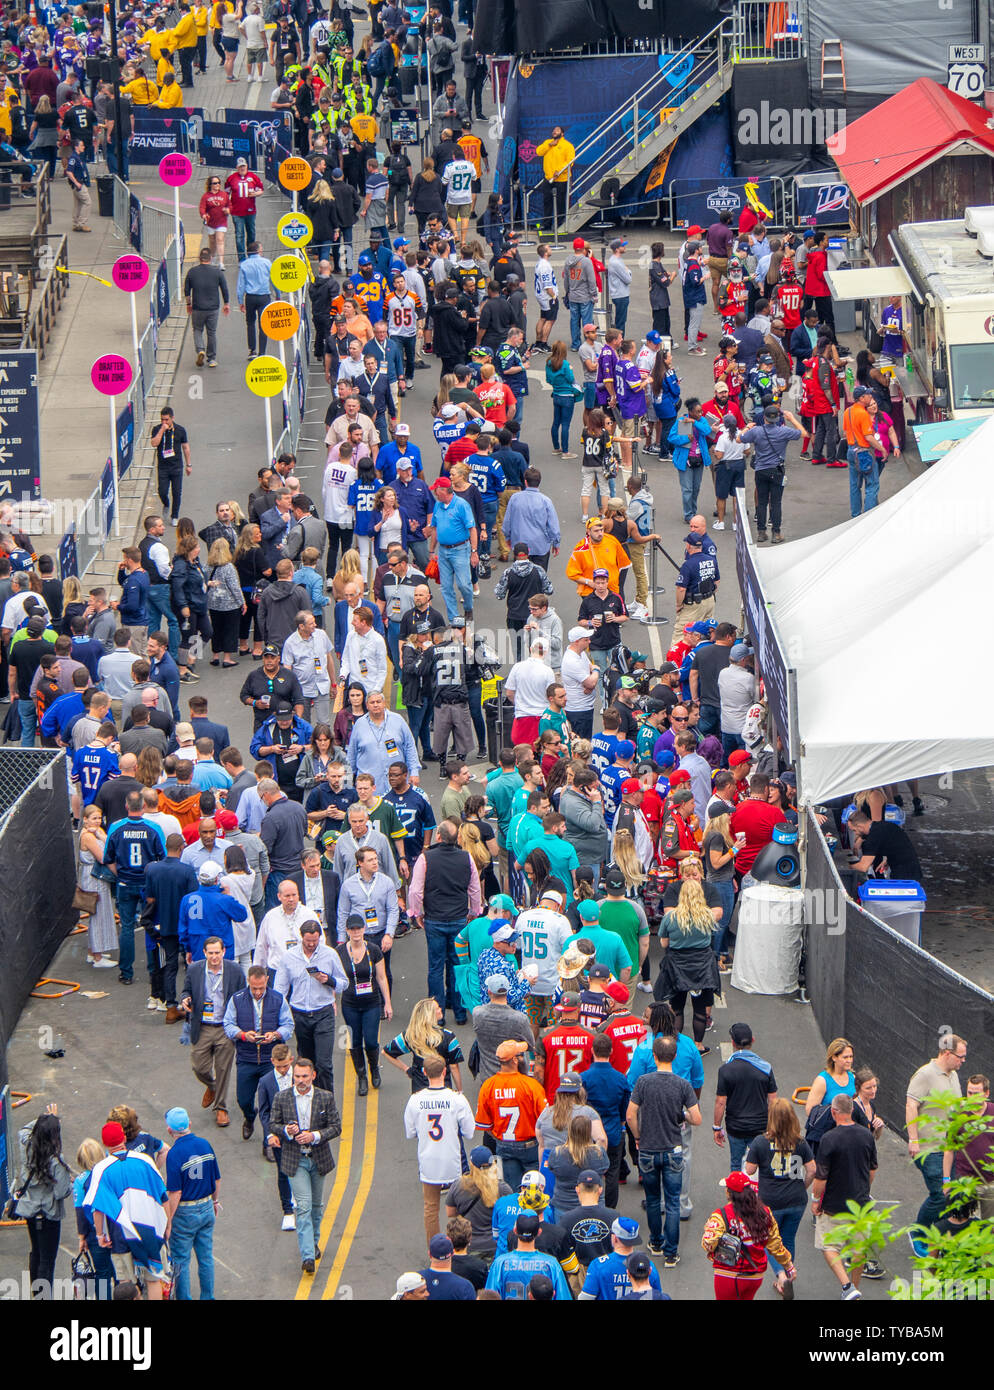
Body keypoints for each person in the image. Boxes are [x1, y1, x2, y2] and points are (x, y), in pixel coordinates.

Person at [626, 1035, 702, 1264]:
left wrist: (638, 1137)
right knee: (672, 1202)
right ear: (675, 1056)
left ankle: (656, 1242)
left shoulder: (643, 1082)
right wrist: (683, 1115)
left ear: (654, 1056)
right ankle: (671, 1253)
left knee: (652, 1199)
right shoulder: (682, 1084)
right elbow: (696, 1118)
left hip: (648, 1148)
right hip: (673, 1150)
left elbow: (630, 1114)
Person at [268, 1057, 342, 1275]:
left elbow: (336, 1127)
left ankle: (314, 1242)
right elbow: (273, 1123)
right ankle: (307, 1255)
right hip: (295, 1159)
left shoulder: (325, 1097)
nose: (300, 1080)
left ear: (313, 1076)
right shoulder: (282, 1097)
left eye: (304, 1076)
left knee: (317, 1207)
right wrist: (286, 1132)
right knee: (304, 1205)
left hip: (317, 1158)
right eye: (297, 1076)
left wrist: (314, 1135)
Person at [408, 819, 481, 1022]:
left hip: (435, 919)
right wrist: (474, 912)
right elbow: (474, 889)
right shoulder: (466, 858)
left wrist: (416, 913)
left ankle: (437, 1013)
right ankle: (459, 1011)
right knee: (457, 963)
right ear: (457, 837)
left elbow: (415, 890)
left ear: (438, 836)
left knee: (436, 966)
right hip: (459, 918)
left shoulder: (426, 858)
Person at [744, 1098, 815, 1298]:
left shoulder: (760, 1142)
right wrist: (802, 1186)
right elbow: (812, 1170)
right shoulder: (800, 1142)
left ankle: (782, 1277)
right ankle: (789, 1272)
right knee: (788, 1238)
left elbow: (749, 1170)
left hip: (771, 1202)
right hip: (796, 1200)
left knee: (768, 1240)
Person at [405, 1054, 476, 1249]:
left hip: (428, 1160)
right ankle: (460, 1246)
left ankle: (435, 1249)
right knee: (460, 1206)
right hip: (452, 1160)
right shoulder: (456, 1099)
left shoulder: (415, 1101)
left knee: (430, 1208)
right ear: (444, 1072)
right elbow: (470, 1132)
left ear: (424, 1072)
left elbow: (410, 1133)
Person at [811, 1094, 877, 1299]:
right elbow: (873, 1168)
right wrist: (864, 1187)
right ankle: (855, 1288)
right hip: (860, 1203)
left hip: (834, 1203)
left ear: (834, 1112)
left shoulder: (829, 1138)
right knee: (859, 1249)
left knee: (829, 1246)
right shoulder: (866, 1135)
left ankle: (847, 1286)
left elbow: (821, 1176)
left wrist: (815, 1200)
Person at [275, 922, 349, 1100]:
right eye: (308, 941)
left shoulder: (330, 954)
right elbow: (280, 989)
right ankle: (306, 1099)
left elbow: (344, 983)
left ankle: (327, 1102)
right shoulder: (289, 957)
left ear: (319, 937)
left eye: (315, 940)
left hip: (323, 1013)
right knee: (306, 1062)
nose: (311, 944)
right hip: (299, 1015)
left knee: (324, 1064)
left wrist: (329, 980)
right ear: (302, 937)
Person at [221, 965, 294, 1140]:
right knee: (243, 1099)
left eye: (261, 988)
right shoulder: (237, 999)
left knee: (271, 1104)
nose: (258, 992)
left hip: (270, 1060)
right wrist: (244, 1035)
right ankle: (249, 1117)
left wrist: (275, 1035)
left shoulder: (278, 999)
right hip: (247, 1058)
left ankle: (269, 1141)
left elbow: (288, 1025)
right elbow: (228, 1024)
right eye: (254, 988)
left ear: (266, 981)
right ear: (248, 981)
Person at [701, 1169, 797, 1301]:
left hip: (728, 1275)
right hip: (755, 1276)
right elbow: (775, 1245)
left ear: (729, 1193)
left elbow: (708, 1242)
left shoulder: (721, 1215)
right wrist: (788, 1266)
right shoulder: (765, 1212)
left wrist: (713, 1250)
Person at [180, 938, 246, 1128]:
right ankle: (212, 1086)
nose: (214, 957)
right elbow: (185, 991)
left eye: (217, 952)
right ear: (204, 953)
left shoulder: (234, 970)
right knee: (199, 1067)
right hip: (203, 1026)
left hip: (225, 1026)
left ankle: (221, 1108)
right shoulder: (195, 969)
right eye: (210, 953)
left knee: (223, 1069)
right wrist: (185, 999)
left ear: (223, 952)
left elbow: (243, 997)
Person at [906, 1033, 968, 1236]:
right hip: (930, 1149)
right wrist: (914, 1140)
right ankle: (918, 1233)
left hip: (951, 1147)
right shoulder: (925, 1074)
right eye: (960, 1056)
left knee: (954, 1194)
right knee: (940, 1195)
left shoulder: (953, 1075)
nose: (963, 1061)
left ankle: (941, 1236)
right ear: (947, 1053)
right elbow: (911, 1105)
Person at [13, 1106, 73, 1298]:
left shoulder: (27, 1145)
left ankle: (36, 1293)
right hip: (48, 1213)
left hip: (30, 1209)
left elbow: (22, 1129)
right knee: (48, 1259)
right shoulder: (56, 1160)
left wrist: (45, 1119)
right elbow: (61, 1192)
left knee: (36, 1253)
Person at [163, 1107, 221, 1301]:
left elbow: (175, 1192)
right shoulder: (205, 1144)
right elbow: (217, 1179)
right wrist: (215, 1201)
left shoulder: (174, 1154)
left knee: (181, 1259)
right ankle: (208, 1296)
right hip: (206, 1206)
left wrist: (168, 1220)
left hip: (185, 1212)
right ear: (189, 1124)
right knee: (205, 1257)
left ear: (170, 1130)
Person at [475, 1040, 548, 1189]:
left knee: (512, 1192)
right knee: (534, 1191)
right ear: (515, 1060)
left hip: (504, 1145)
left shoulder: (488, 1086)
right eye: (521, 1055)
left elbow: (485, 1125)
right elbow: (545, 1120)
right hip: (530, 1146)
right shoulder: (531, 1085)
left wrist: (500, 1138)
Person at [713, 1022, 778, 1170]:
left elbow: (720, 1102)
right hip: (761, 1127)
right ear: (752, 1040)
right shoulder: (766, 1068)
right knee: (761, 1164)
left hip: (736, 1128)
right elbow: (773, 1100)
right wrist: (773, 1126)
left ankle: (736, 1191)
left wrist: (716, 1127)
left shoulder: (725, 1070)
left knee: (736, 1164)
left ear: (733, 1043)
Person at [578, 1215, 662, 1299]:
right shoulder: (647, 1266)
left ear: (615, 1238)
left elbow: (585, 1298)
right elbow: (657, 1296)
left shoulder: (598, 1265)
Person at [847, 809, 922, 883]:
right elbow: (898, 845)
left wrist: (847, 866)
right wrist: (888, 860)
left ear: (860, 826)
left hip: (905, 875)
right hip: (912, 867)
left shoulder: (873, 837)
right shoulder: (883, 825)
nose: (855, 834)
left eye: (854, 830)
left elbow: (863, 867)